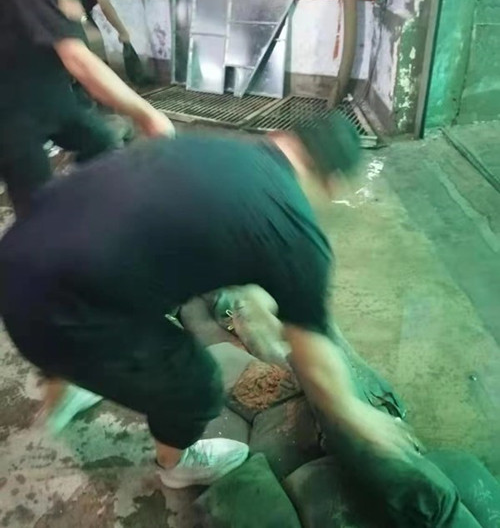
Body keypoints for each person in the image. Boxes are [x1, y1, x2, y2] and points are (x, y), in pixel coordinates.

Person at [0, 114, 415, 489]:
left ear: (282, 136)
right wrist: (356, 414)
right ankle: (176, 464)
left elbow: (203, 229)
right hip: (56, 318)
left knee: (117, 273)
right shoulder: (296, 233)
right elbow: (316, 364)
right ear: (333, 184)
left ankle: (67, 383)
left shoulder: (222, 150)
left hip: (18, 259)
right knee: (196, 384)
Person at [0, 0, 173, 217]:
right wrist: (147, 114)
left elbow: (71, 23)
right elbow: (75, 56)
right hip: (12, 108)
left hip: (49, 92)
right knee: (37, 216)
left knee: (103, 143)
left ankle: (85, 222)